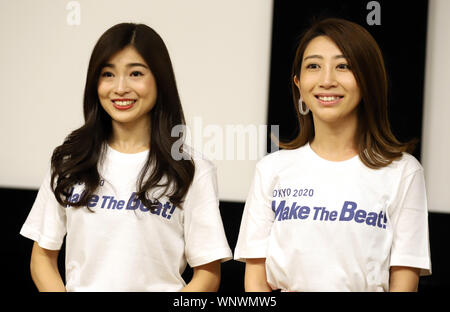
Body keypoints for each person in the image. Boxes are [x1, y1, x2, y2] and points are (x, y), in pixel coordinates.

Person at [20, 23, 232, 292]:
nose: (120, 88)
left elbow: (207, 274)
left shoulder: (191, 168)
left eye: (135, 73)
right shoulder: (69, 161)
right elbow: (42, 257)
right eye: (108, 74)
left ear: (160, 80)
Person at [234, 18, 431, 292]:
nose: (327, 80)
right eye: (313, 66)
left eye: (344, 66)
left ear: (368, 81)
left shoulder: (403, 171)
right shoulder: (271, 169)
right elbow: (255, 280)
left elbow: (404, 282)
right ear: (298, 84)